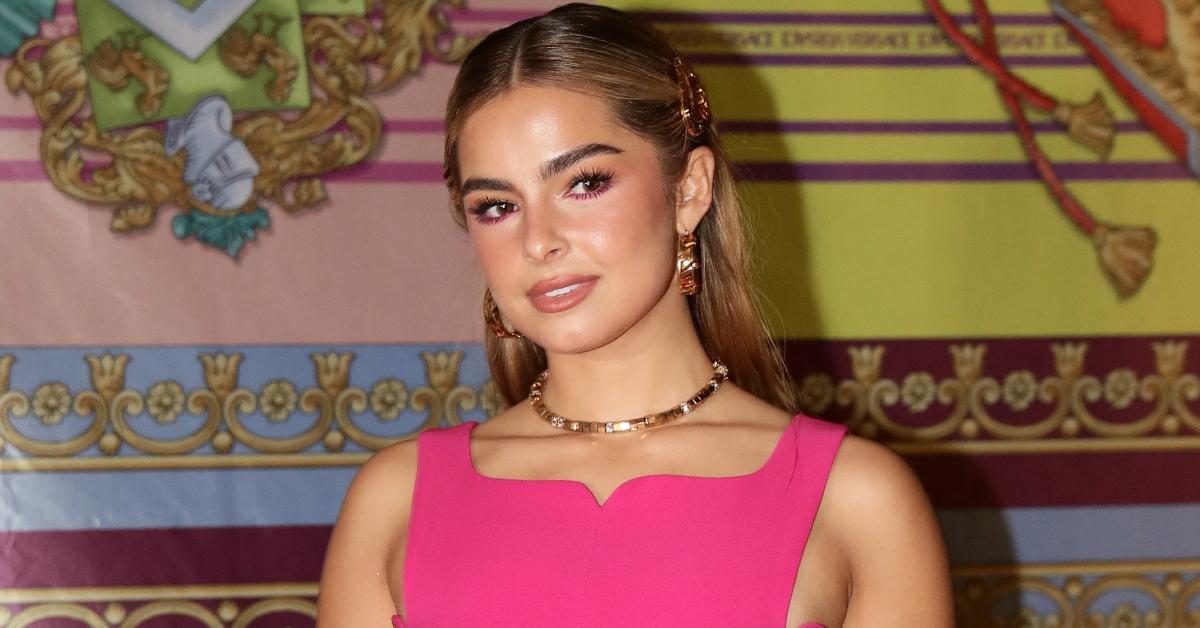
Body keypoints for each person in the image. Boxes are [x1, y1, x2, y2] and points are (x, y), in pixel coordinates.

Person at [317, 4, 953, 626]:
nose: (538, 241)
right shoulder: (396, 500)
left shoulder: (856, 498)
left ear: (690, 189)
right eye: (496, 206)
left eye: (585, 183)